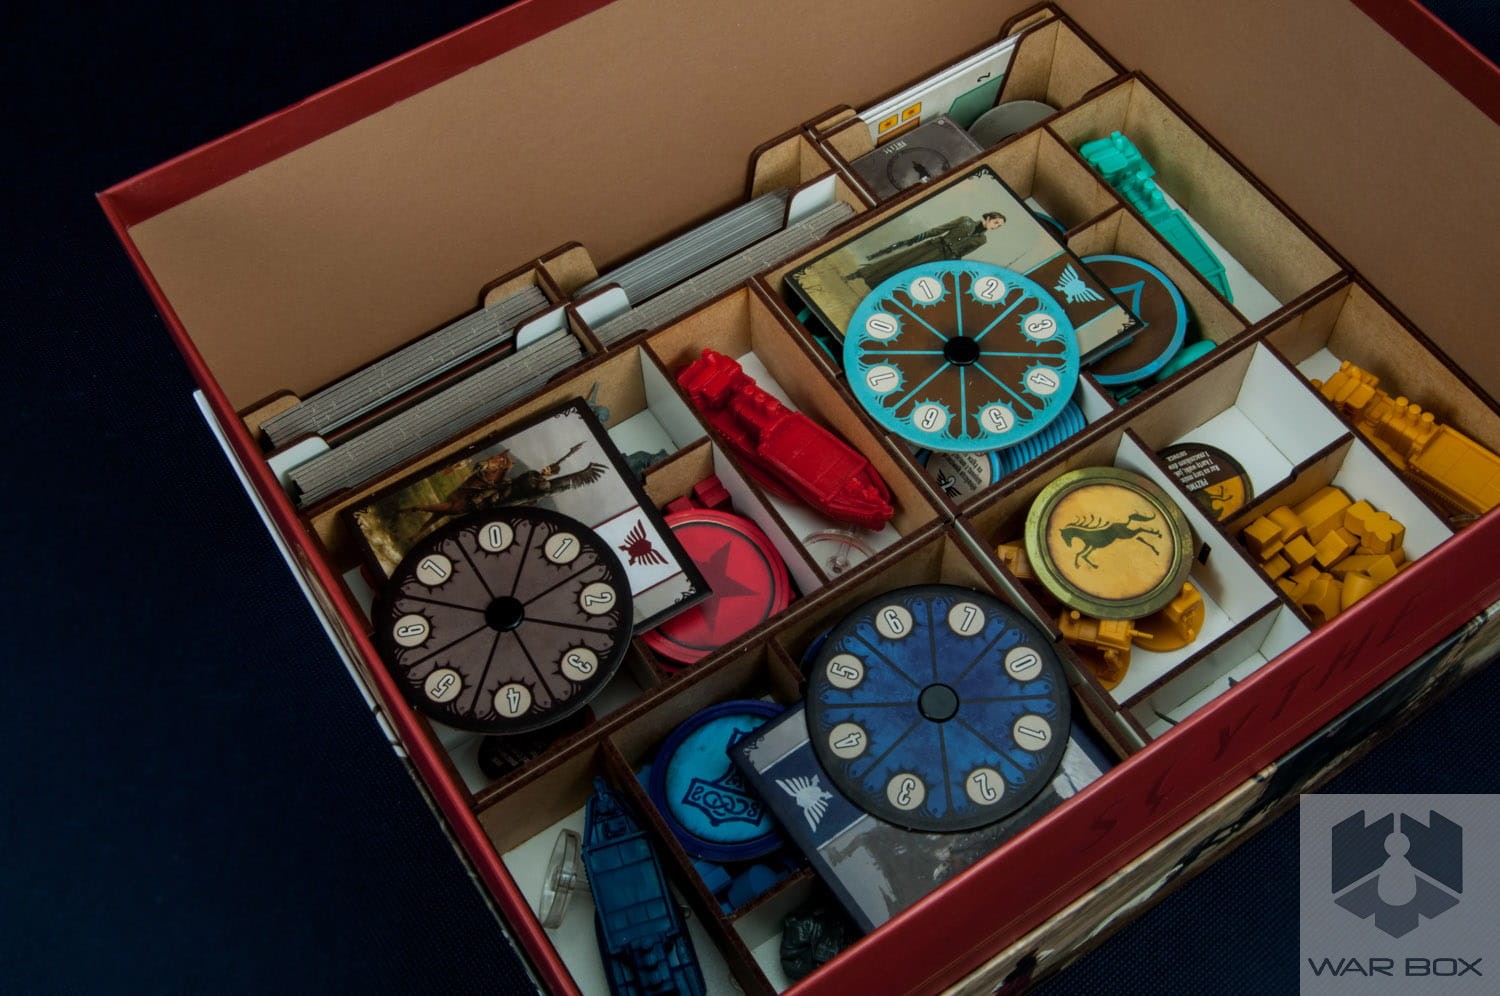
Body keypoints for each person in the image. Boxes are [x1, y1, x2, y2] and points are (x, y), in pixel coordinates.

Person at [846, 212, 1006, 287]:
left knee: (910, 275)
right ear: (989, 217)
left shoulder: (982, 240)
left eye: (999, 226)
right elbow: (940, 229)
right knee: (900, 261)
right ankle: (856, 275)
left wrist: (949, 265)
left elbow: (962, 254)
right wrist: (920, 237)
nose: (996, 226)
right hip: (932, 246)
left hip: (941, 259)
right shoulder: (966, 221)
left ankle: (877, 286)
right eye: (996, 222)